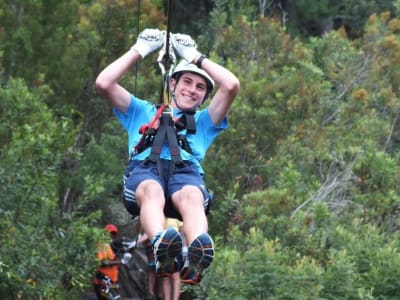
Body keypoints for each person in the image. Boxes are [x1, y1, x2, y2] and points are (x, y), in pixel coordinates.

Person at [96, 28, 240, 285]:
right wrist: (139, 50)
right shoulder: (140, 110)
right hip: (144, 172)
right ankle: (163, 247)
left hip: (185, 175)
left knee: (193, 196)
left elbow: (231, 85)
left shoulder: (204, 121)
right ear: (172, 84)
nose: (192, 90)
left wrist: (196, 57)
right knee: (152, 191)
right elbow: (104, 83)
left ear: (205, 97)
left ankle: (196, 253)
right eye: (187, 82)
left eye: (200, 88)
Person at [93, 224, 130, 300]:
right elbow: (102, 262)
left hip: (112, 282)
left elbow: (116, 266)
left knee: (117, 297)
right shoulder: (102, 244)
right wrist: (121, 261)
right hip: (102, 282)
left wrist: (121, 261)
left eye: (113, 234)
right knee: (112, 298)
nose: (111, 235)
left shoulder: (110, 247)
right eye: (109, 233)